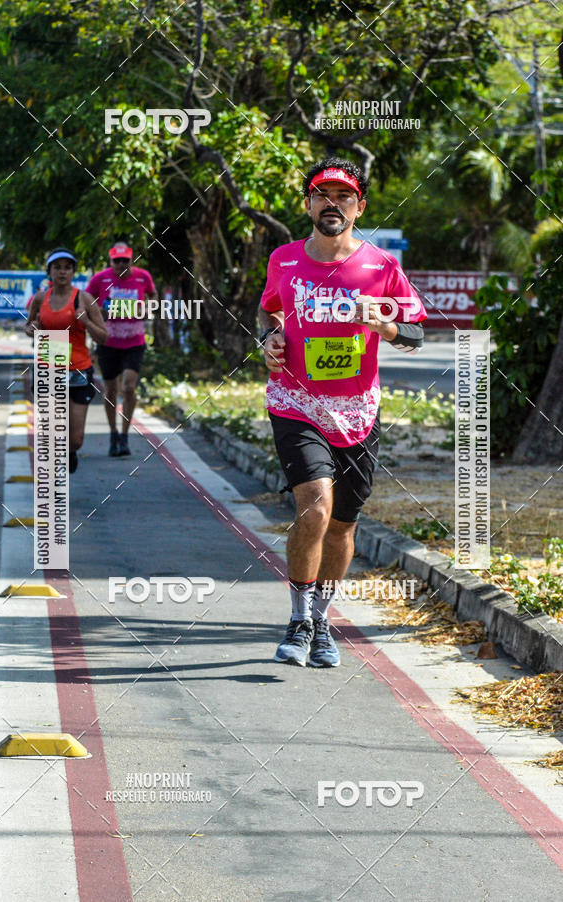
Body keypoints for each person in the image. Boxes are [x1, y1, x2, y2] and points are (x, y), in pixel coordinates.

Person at [258, 157, 427, 668]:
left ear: (360, 207)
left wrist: (385, 326)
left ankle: (323, 620)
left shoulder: (380, 266)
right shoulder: (284, 260)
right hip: (296, 402)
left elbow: (417, 333)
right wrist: (267, 338)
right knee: (314, 506)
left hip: (356, 411)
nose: (333, 204)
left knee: (344, 526)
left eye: (344, 196)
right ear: (308, 203)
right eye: (322, 195)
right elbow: (269, 309)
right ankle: (298, 619)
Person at [25, 248, 108, 473]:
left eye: (67, 268)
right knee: (51, 428)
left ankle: (70, 452)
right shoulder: (41, 298)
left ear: (73, 272)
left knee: (76, 438)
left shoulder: (84, 299)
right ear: (49, 271)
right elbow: (29, 326)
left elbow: (103, 336)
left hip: (78, 371)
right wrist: (31, 329)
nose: (62, 272)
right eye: (57, 267)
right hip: (47, 368)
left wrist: (86, 321)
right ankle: (52, 474)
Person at [86, 242, 156, 456]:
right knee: (110, 391)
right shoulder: (100, 279)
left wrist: (149, 309)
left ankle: (125, 435)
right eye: (117, 261)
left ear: (131, 260)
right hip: (108, 343)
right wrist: (98, 313)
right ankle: (113, 433)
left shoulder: (143, 277)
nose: (121, 264)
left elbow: (153, 297)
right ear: (111, 261)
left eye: (125, 260)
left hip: (134, 342)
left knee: (128, 387)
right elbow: (86, 302)